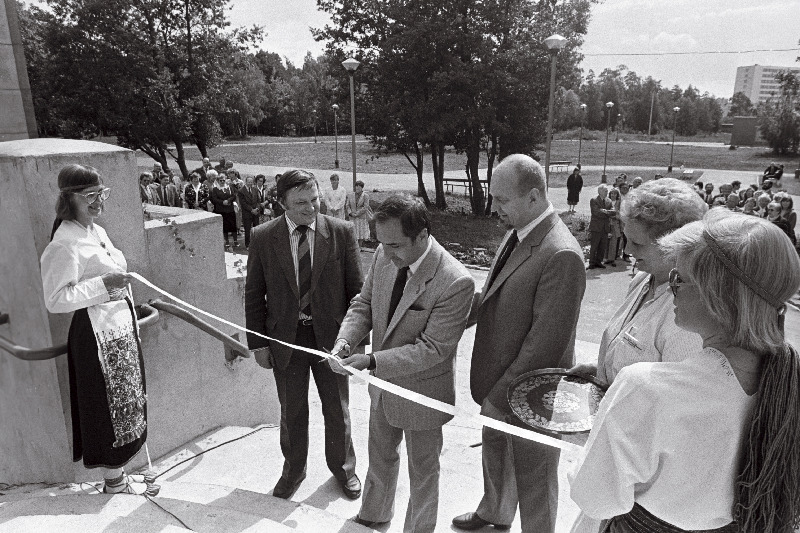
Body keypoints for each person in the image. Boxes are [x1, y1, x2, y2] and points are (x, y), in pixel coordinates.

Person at [570, 209, 800, 533]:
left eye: (678, 279)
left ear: (716, 297)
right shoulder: (787, 382)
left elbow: (595, 498)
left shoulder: (645, 388)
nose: (670, 289)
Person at [452, 154, 586, 533]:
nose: (495, 209)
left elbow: (545, 344)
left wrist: (500, 396)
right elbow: (494, 294)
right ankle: (495, 512)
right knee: (495, 453)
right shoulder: (519, 231)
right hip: (499, 380)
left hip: (531, 393)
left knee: (535, 476)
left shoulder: (560, 253)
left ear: (533, 196)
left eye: (502, 201)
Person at [330, 195, 475, 532]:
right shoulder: (386, 252)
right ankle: (374, 515)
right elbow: (364, 303)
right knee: (380, 456)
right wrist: (344, 341)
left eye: (394, 245)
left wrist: (370, 360)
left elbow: (432, 349)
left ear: (422, 236)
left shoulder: (455, 281)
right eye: (381, 243)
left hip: (422, 392)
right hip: (383, 387)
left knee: (423, 473)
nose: (386, 253)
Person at [244, 169, 364, 502]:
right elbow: (254, 293)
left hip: (332, 341)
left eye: (314, 200)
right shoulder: (263, 237)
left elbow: (357, 294)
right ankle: (293, 470)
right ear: (281, 203)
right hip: (286, 341)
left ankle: (344, 469)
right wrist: (258, 343)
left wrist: (353, 342)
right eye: (300, 203)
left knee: (337, 409)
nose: (310, 208)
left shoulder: (341, 232)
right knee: (292, 410)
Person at [40, 164, 157, 496]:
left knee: (128, 399)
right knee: (107, 406)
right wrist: (105, 286)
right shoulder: (65, 243)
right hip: (94, 336)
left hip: (119, 327)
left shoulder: (95, 231)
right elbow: (56, 299)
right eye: (89, 196)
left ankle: (119, 473)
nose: (98, 202)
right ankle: (113, 481)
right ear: (69, 199)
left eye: (101, 194)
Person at [588, 184, 615, 269]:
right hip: (596, 227)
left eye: (607, 191)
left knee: (602, 246)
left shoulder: (609, 201)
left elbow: (613, 212)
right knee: (594, 246)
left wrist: (605, 211)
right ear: (599, 191)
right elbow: (596, 213)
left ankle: (598, 262)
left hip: (605, 227)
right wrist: (607, 213)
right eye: (605, 191)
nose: (607, 192)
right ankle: (592, 263)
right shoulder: (594, 200)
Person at [211, 174, 238, 248]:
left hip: (230, 209)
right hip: (221, 210)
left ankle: (235, 241)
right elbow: (214, 199)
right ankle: (227, 241)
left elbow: (233, 196)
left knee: (233, 225)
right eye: (221, 180)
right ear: (218, 181)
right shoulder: (215, 189)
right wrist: (222, 202)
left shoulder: (229, 187)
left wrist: (228, 200)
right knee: (224, 226)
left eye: (223, 180)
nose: (222, 182)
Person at [237, 176, 261, 249]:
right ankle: (248, 245)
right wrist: (251, 210)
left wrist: (257, 209)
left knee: (256, 229)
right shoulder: (241, 191)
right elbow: (243, 204)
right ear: (245, 182)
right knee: (247, 230)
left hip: (255, 213)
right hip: (247, 213)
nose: (250, 183)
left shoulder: (255, 189)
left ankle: (256, 244)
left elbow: (258, 201)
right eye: (248, 182)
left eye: (251, 182)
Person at [347, 180, 372, 247]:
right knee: (353, 233)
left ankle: (359, 247)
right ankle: (354, 247)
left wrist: (357, 214)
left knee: (361, 234)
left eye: (359, 188)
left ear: (362, 188)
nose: (357, 189)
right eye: (356, 187)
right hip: (353, 218)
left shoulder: (365, 196)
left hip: (361, 217)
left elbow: (365, 207)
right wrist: (351, 213)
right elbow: (347, 205)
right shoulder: (350, 195)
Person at [604, 188, 622, 266]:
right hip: (607, 223)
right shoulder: (606, 201)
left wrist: (616, 216)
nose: (613, 195)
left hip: (615, 224)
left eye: (615, 194)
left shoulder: (619, 203)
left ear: (617, 195)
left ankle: (612, 259)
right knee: (606, 241)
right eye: (611, 193)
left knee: (613, 242)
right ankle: (606, 258)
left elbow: (621, 214)